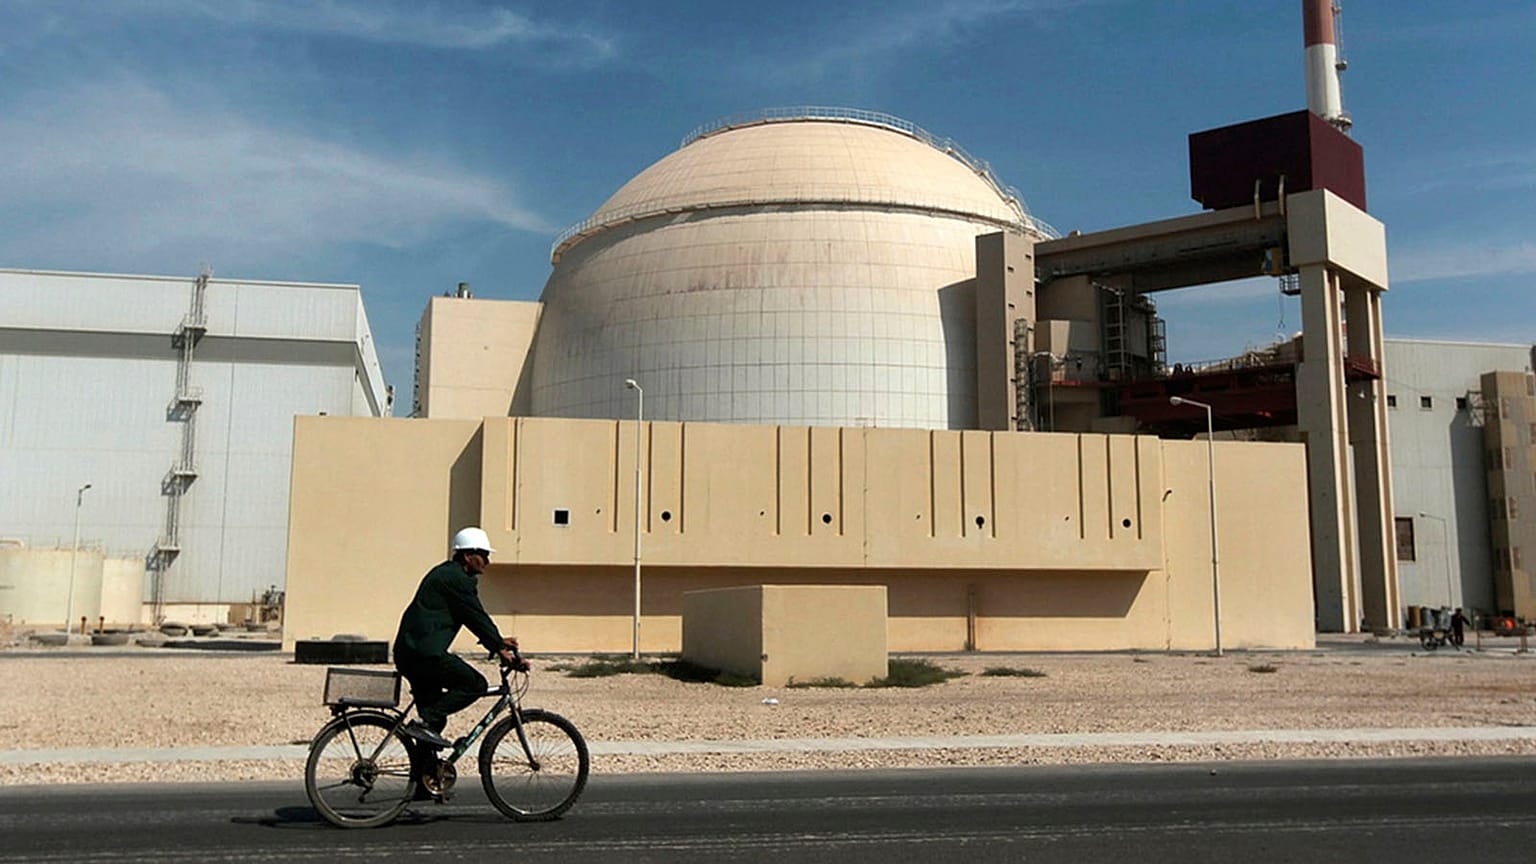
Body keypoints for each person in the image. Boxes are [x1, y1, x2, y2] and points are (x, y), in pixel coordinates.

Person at [393, 526, 524, 749]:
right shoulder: (456, 580)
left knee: (433, 724)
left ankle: (426, 778)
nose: (487, 562)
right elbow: (475, 615)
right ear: (467, 555)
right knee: (475, 684)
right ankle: (425, 722)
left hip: (411, 653)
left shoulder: (447, 573)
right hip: (423, 654)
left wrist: (498, 642)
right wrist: (498, 644)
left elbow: (470, 617)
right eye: (483, 555)